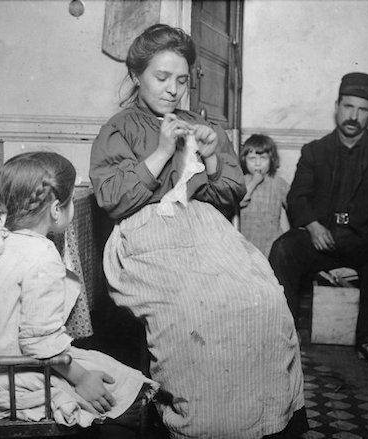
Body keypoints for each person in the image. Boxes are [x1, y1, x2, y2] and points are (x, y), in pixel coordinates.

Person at [89, 24, 306, 439]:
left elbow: (228, 194)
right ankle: (200, 425)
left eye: (182, 80)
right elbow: (114, 199)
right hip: (145, 238)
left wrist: (209, 154)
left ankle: (265, 422)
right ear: (136, 76)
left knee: (264, 298)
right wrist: (162, 151)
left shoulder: (199, 127)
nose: (173, 89)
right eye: (162, 77)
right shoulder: (119, 129)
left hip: (206, 234)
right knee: (195, 311)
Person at [0, 152, 158, 435]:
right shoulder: (42, 255)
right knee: (128, 395)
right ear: (55, 210)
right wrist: (82, 379)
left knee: (111, 369)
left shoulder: (4, 240)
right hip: (12, 383)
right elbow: (40, 343)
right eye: (71, 200)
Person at [268, 72, 368, 369]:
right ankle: (284, 336)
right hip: (322, 238)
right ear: (337, 106)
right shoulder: (314, 151)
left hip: (364, 241)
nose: (353, 116)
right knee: (284, 248)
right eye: (348, 106)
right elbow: (298, 196)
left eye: (362, 109)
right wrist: (313, 225)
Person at [239, 134, 290, 257]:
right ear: (244, 160)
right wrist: (254, 182)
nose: (257, 164)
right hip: (246, 241)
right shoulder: (242, 181)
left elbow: (294, 207)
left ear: (271, 160)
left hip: (272, 241)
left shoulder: (278, 183)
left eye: (263, 158)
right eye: (252, 159)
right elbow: (241, 201)